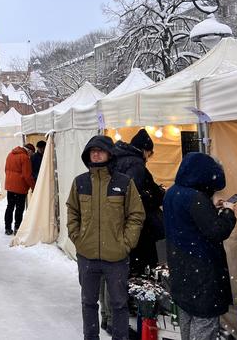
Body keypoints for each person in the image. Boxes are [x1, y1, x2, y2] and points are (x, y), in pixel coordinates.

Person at [66, 135, 145, 340]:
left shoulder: (124, 182)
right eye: (92, 151)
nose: (96, 154)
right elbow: (72, 211)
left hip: (116, 257)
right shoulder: (80, 182)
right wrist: (77, 237)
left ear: (110, 154)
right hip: (87, 255)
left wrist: (126, 242)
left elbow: (136, 214)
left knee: (119, 303)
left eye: (100, 150)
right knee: (88, 302)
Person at [164, 152, 236, 340]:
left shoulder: (172, 192)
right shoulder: (195, 198)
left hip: (181, 271)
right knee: (204, 324)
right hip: (202, 274)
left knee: (187, 321)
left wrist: (211, 208)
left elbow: (189, 221)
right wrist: (228, 212)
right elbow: (217, 231)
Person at [113, 128, 165, 275]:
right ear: (145, 150)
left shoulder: (120, 157)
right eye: (150, 153)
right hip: (135, 221)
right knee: (140, 256)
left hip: (118, 217)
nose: (149, 157)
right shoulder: (136, 164)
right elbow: (134, 194)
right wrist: (155, 197)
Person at [4, 144, 35, 235]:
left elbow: (6, 169)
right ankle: (17, 227)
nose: (30, 156)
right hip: (20, 187)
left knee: (10, 207)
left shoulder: (10, 154)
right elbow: (27, 175)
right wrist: (33, 186)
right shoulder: (25, 158)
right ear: (29, 150)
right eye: (31, 153)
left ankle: (7, 227)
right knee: (19, 208)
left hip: (10, 186)